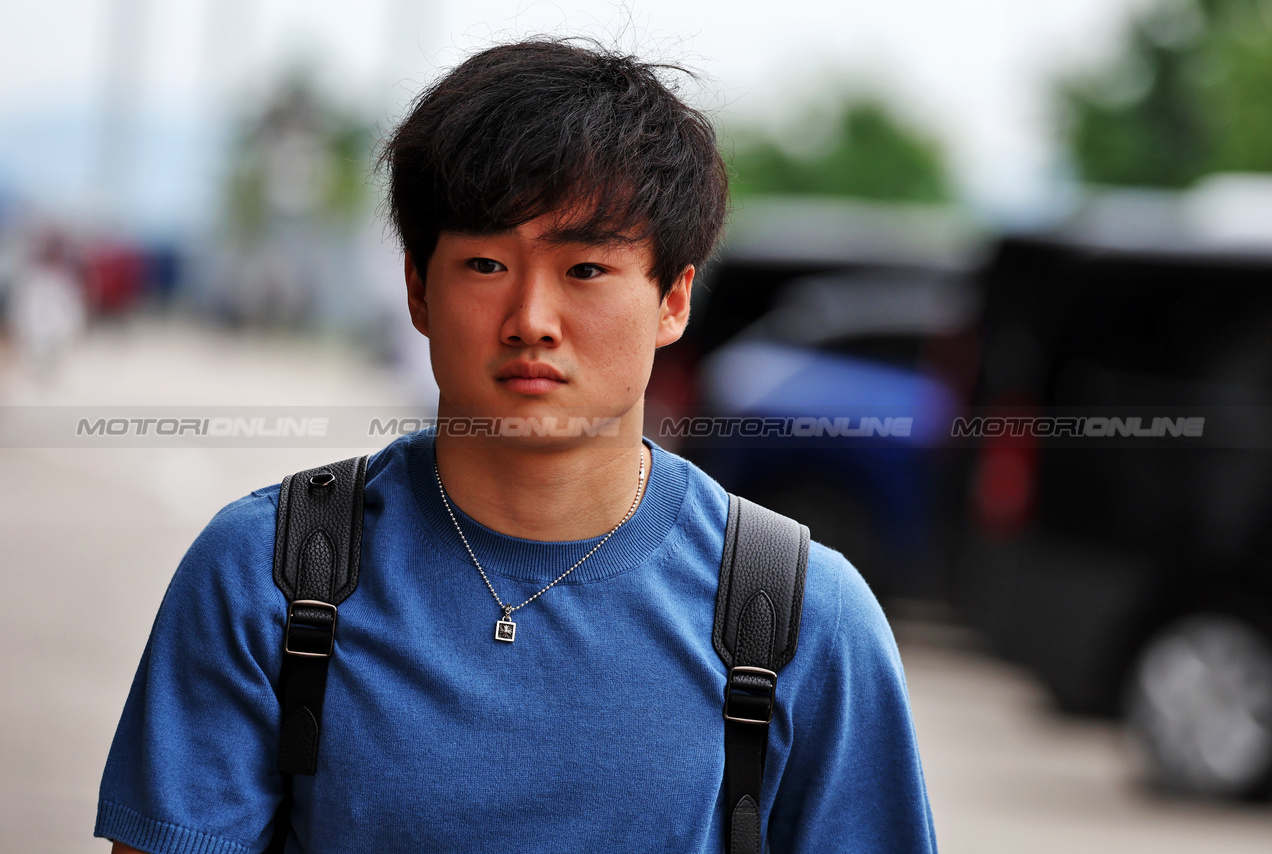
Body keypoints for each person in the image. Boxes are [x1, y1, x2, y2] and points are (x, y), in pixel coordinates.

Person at [96, 39, 937, 853]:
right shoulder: (270, 574)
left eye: (585, 271)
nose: (531, 320)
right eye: (487, 264)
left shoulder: (800, 617)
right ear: (418, 291)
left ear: (674, 300)